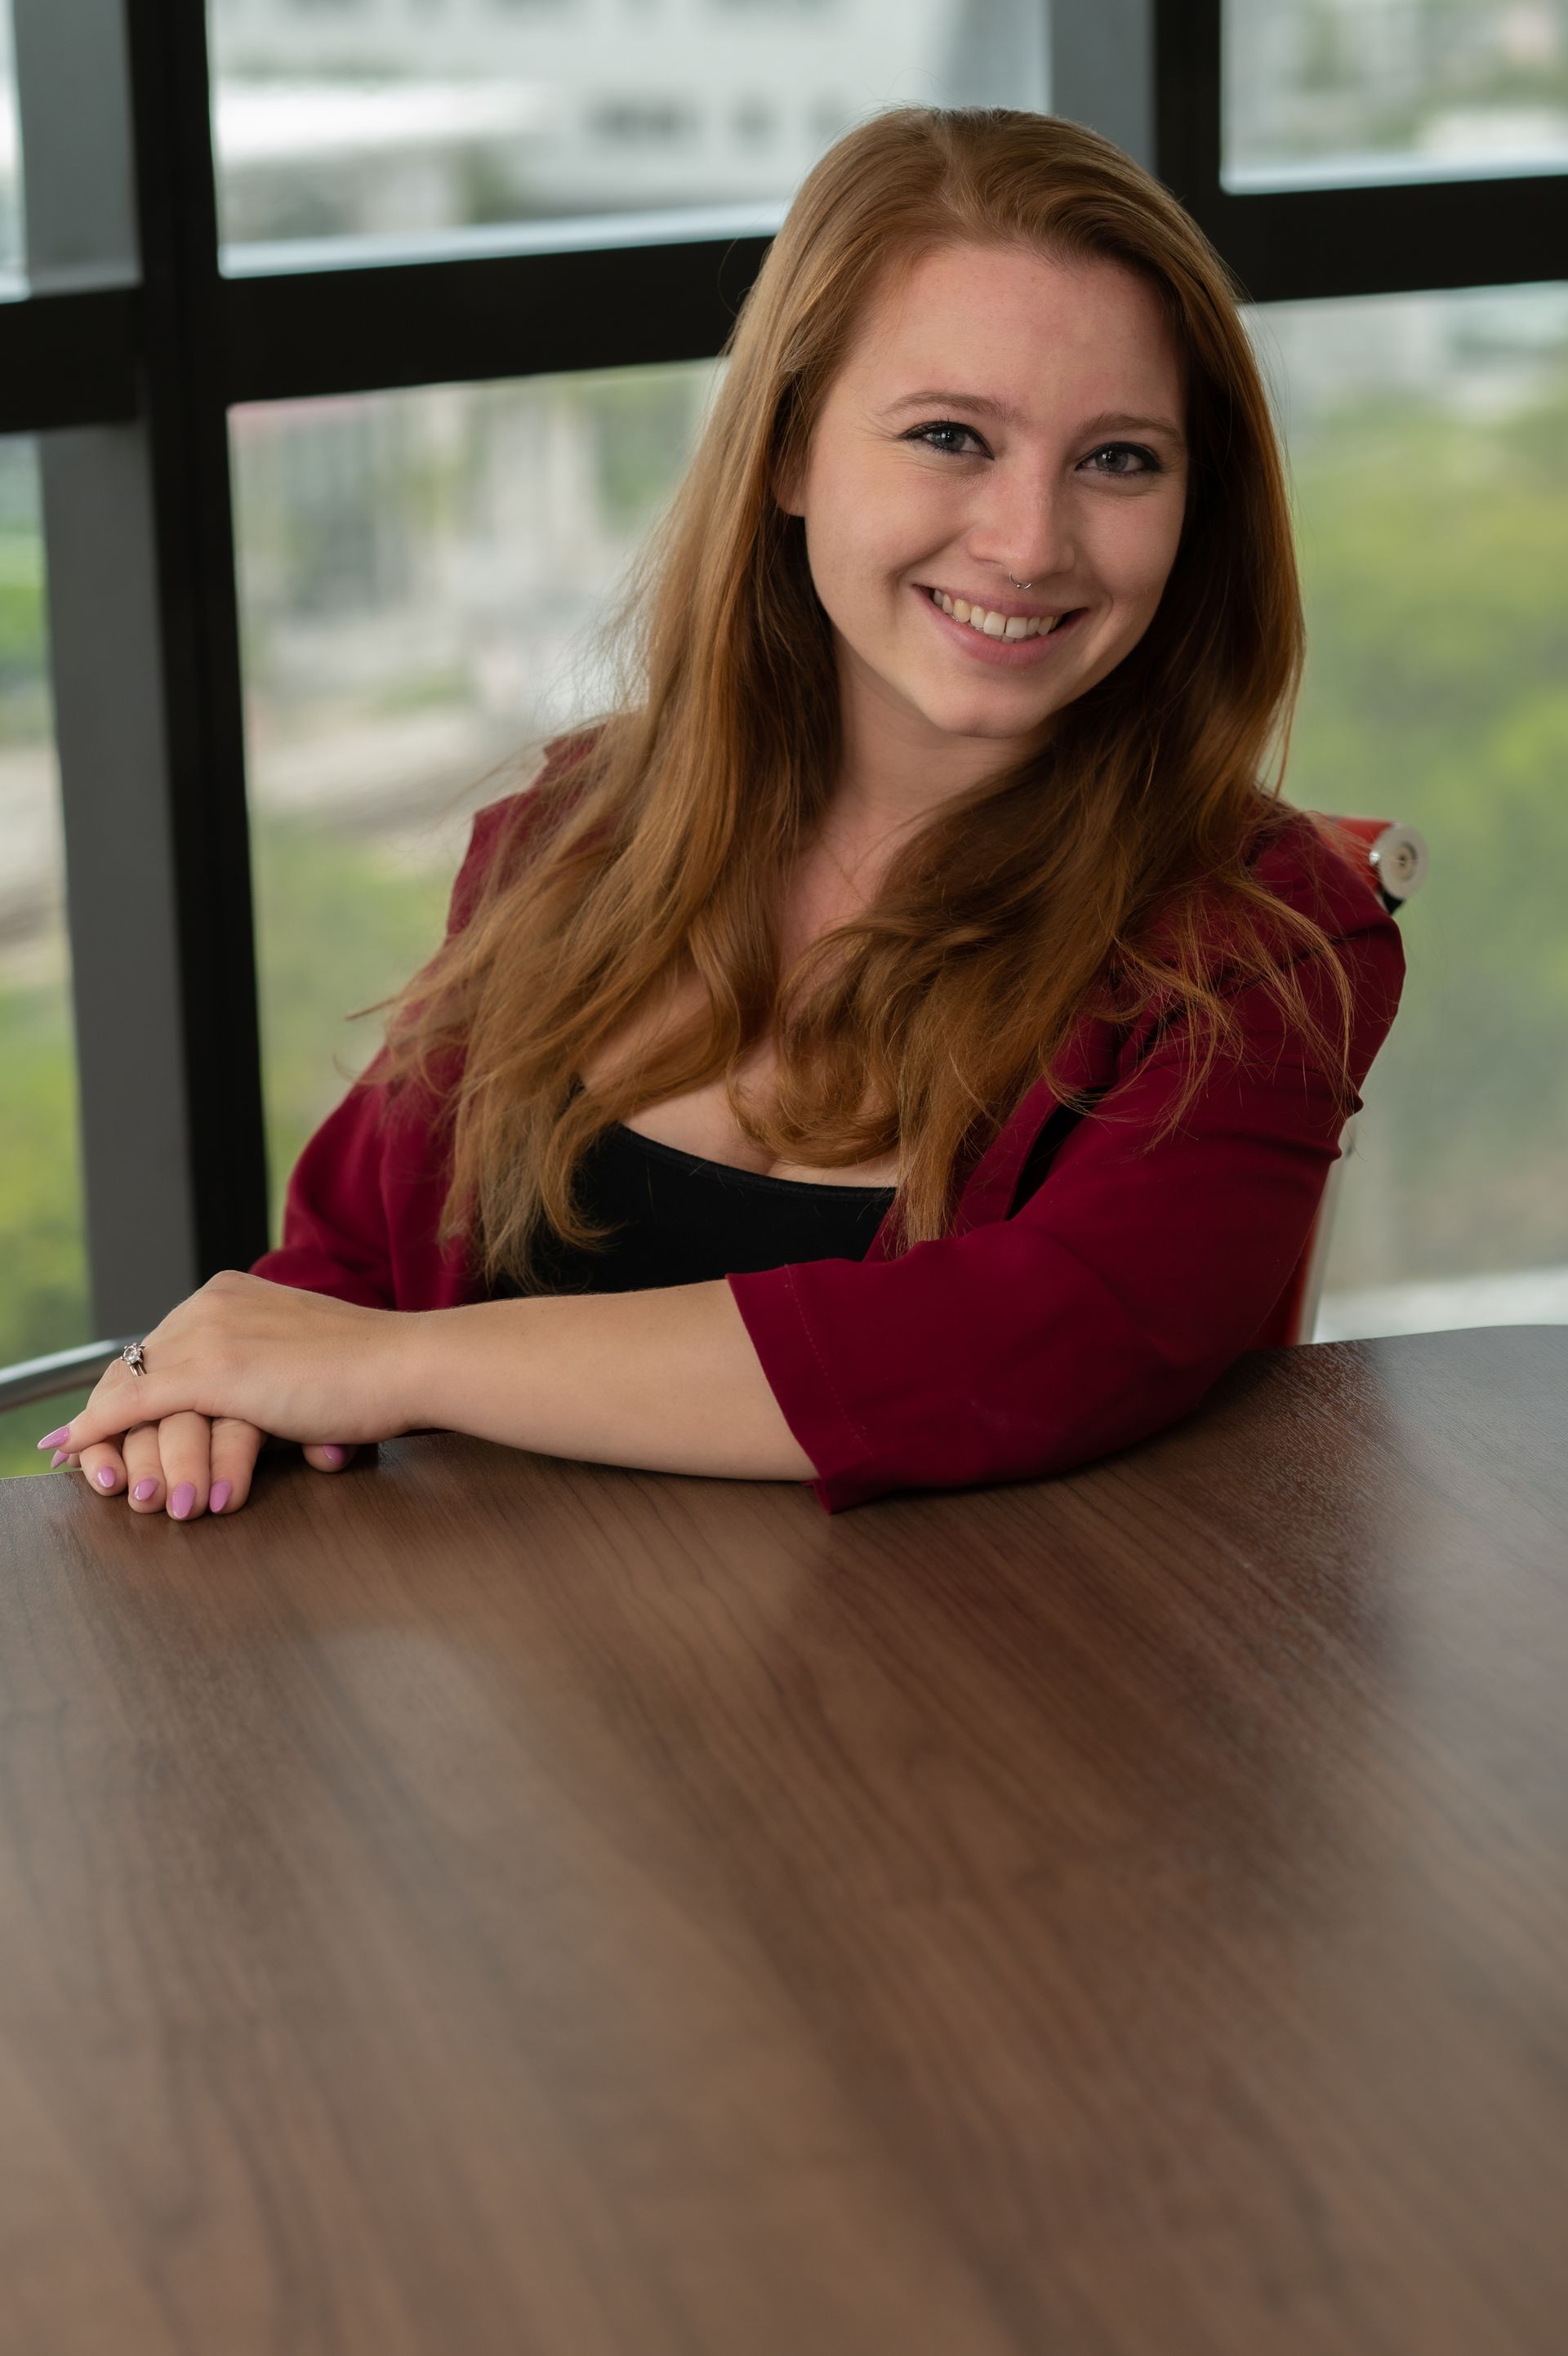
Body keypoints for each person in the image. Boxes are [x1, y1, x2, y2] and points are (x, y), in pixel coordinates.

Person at [43, 105, 1404, 1519]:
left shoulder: (1272, 940)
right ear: (789, 452)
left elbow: (1050, 1343)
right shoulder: (574, 831)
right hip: (500, 1654)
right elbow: (338, 1270)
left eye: (1119, 459)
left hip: (984, 1665)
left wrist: (401, 1368)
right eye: (950, 436)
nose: (1028, 541)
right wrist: (213, 1392)